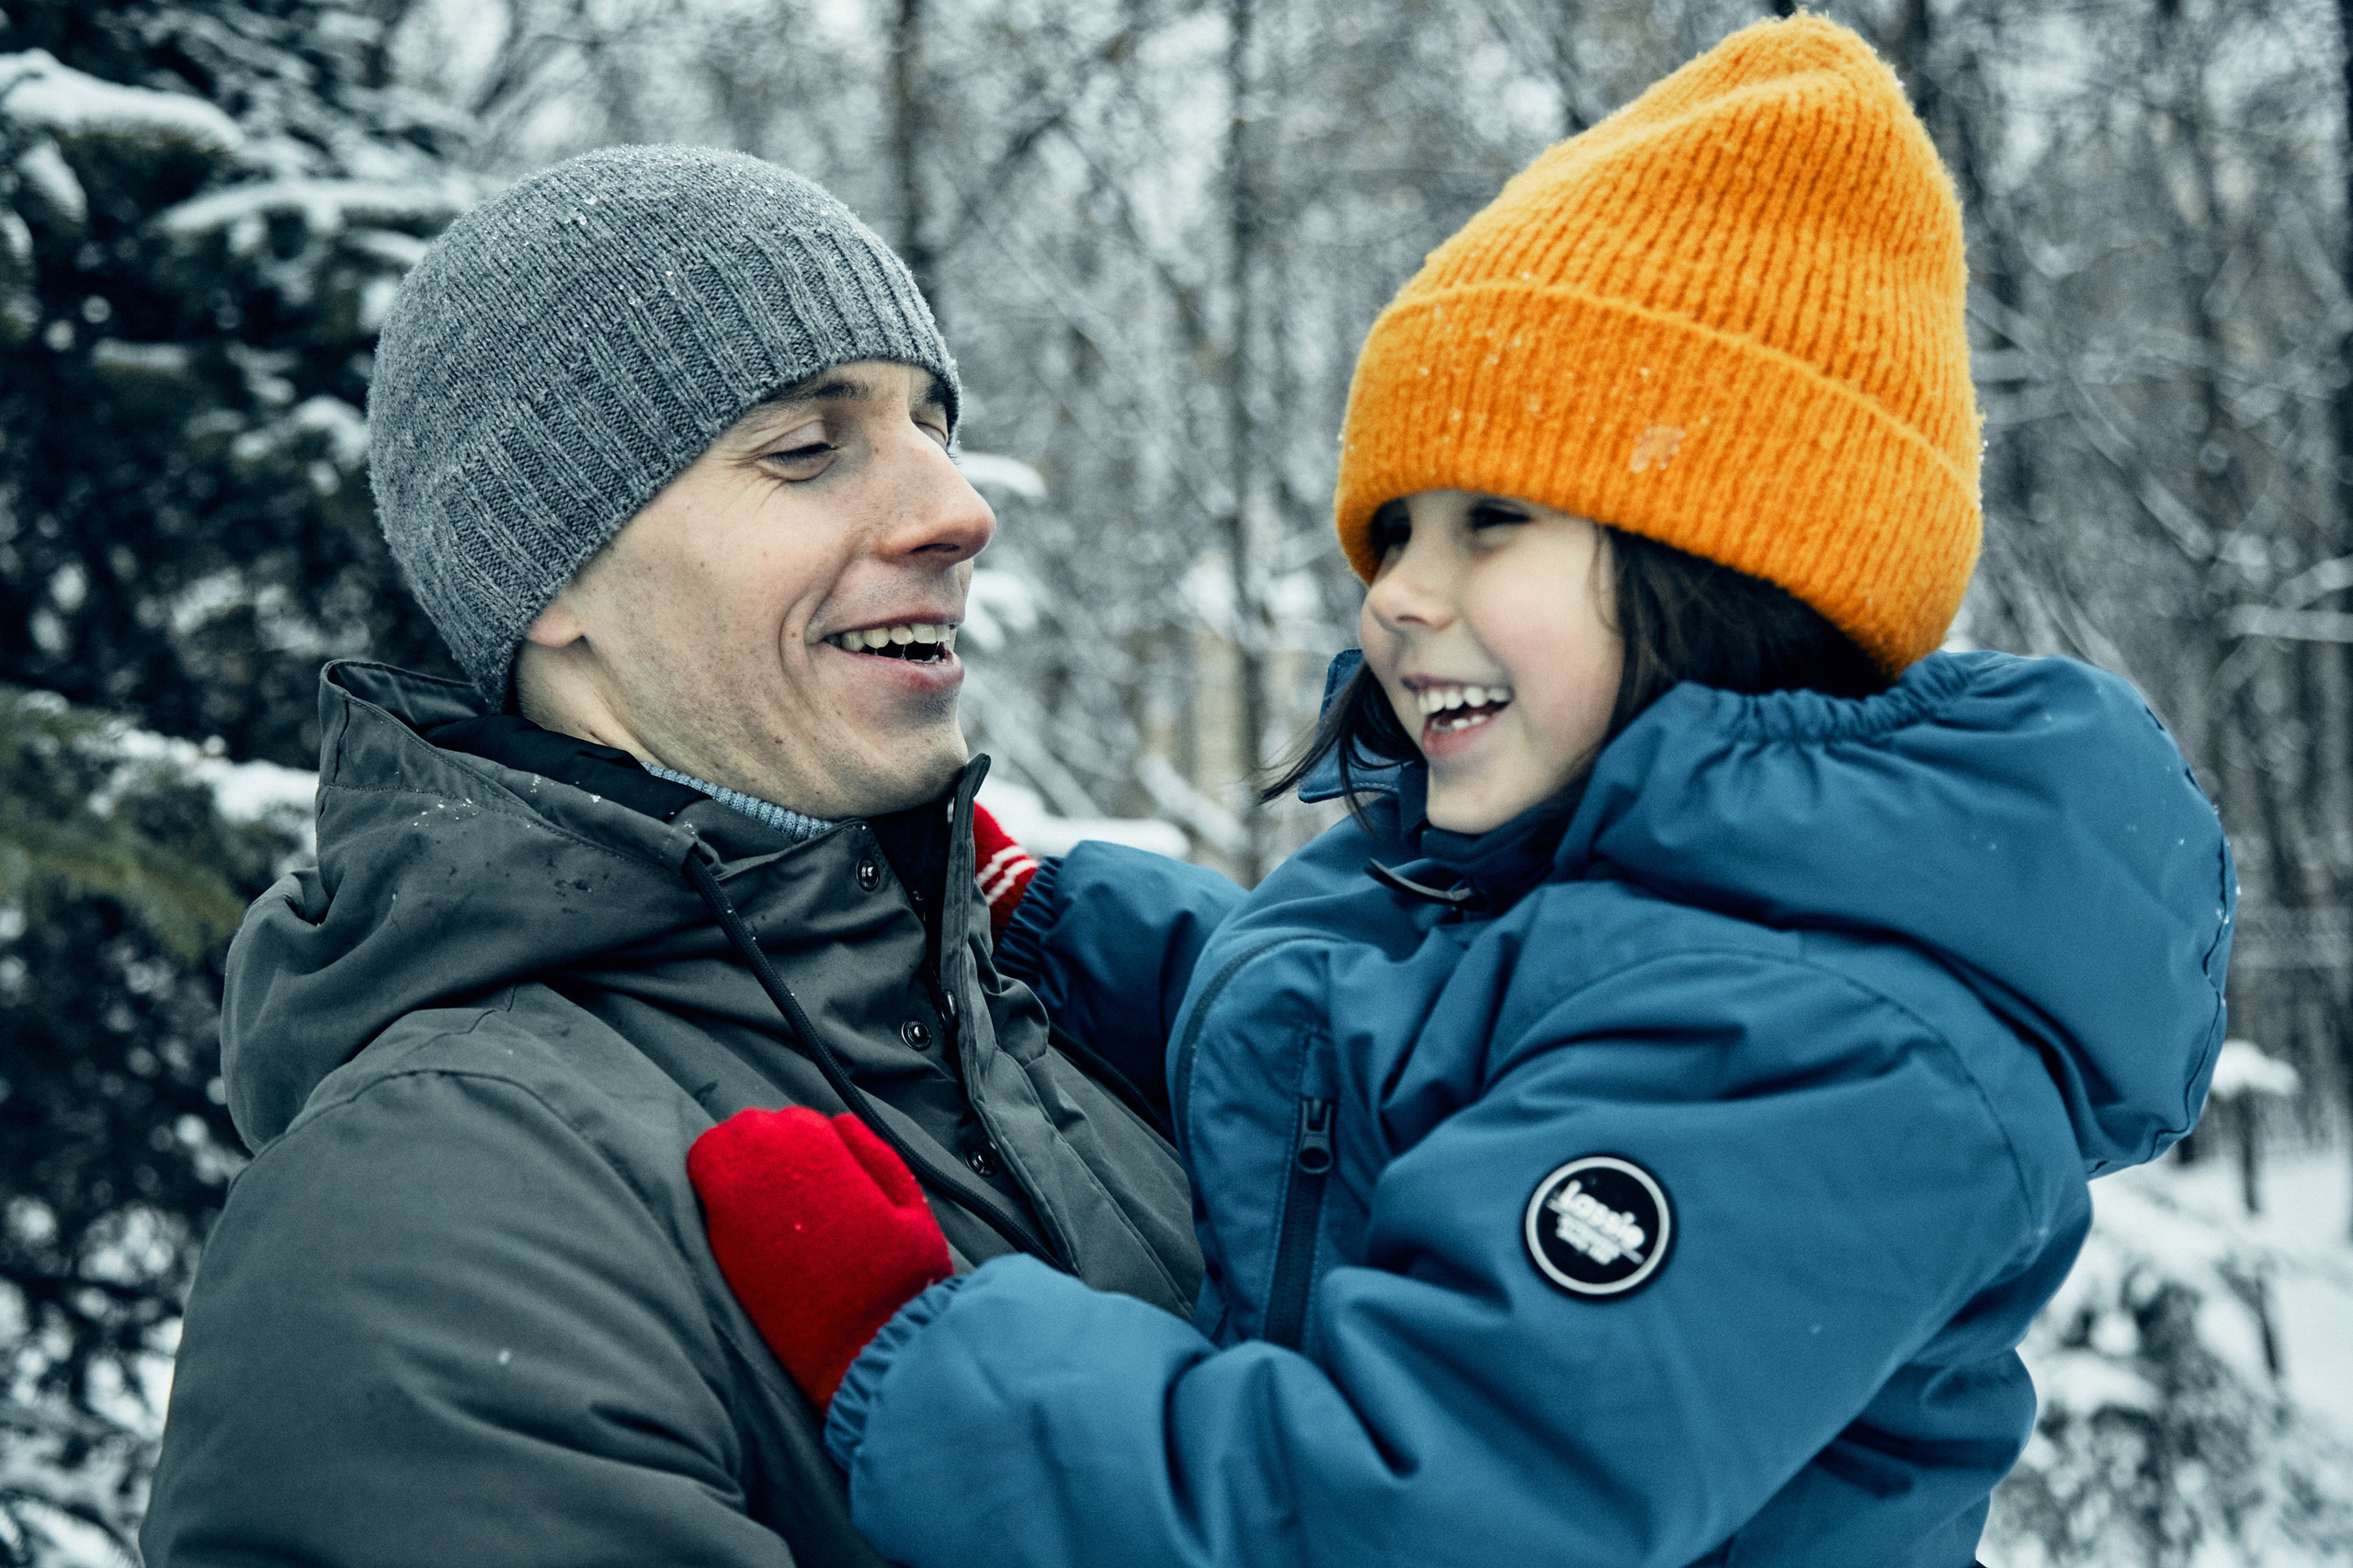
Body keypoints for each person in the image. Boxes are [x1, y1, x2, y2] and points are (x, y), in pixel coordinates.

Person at [683, 19, 2234, 1568]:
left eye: (1492, 523)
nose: (1398, 602)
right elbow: (1358, 1034)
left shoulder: (1820, 1046)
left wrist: (916, 1348)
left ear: (1737, 558)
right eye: (1394, 533)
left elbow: (1401, 1507)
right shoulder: (1577, 902)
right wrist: (1057, 918)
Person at [139, 144, 1200, 1568]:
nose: (958, 508)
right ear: (555, 578)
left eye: (931, 425)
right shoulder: (437, 1202)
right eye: (807, 447)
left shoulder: (1053, 1040)